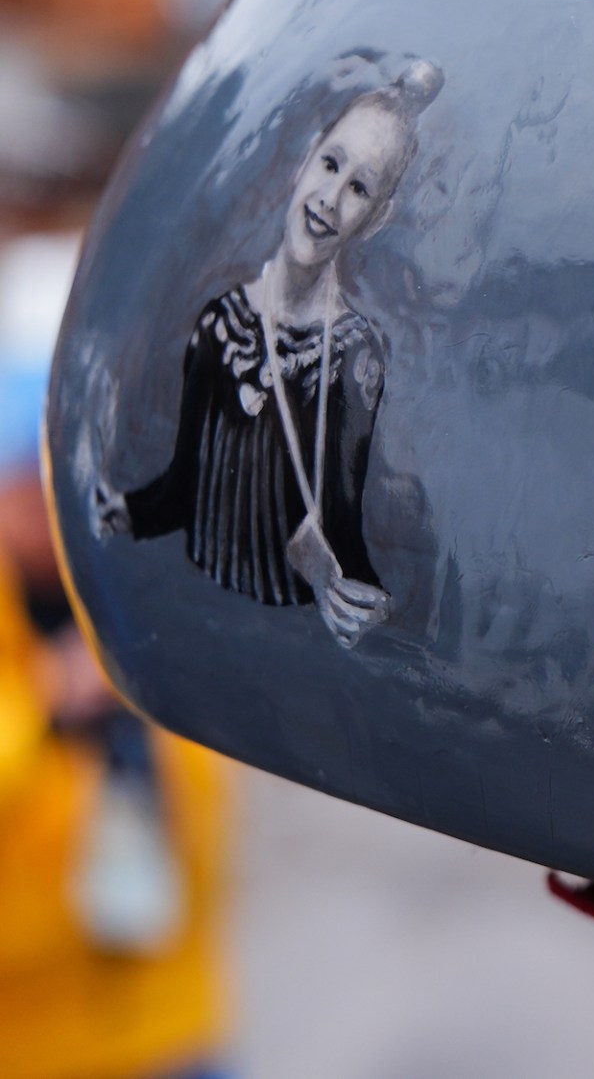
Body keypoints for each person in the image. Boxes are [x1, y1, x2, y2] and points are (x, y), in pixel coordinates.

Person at [93, 58, 443, 649]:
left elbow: (342, 526)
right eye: (330, 164)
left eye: (360, 187)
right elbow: (183, 488)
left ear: (377, 216)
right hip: (190, 634)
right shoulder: (219, 323)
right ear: (303, 161)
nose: (330, 199)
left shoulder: (352, 359)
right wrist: (118, 510)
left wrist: (358, 605)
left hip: (282, 651)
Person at [0, 235, 232, 1079]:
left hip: (173, 1022)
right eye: (30, 467)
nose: (50, 495)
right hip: (32, 1046)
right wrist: (47, 707)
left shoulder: (133, 585)